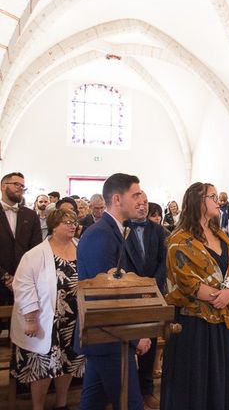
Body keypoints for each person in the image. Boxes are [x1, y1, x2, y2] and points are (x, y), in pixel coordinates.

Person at [161, 182, 229, 409]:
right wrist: (221, 295)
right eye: (212, 196)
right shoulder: (179, 240)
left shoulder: (220, 234)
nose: (218, 201)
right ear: (198, 202)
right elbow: (186, 280)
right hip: (195, 325)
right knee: (197, 382)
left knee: (223, 377)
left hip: (223, 320)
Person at [76, 173, 151, 410]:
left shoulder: (115, 230)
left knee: (93, 402)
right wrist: (135, 334)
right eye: (136, 194)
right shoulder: (101, 234)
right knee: (130, 404)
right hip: (109, 335)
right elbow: (105, 294)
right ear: (117, 199)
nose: (141, 200)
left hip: (107, 338)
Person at [10, 209, 85, 410]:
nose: (72, 225)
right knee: (43, 367)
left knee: (67, 362)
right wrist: (31, 319)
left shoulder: (81, 248)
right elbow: (24, 287)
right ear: (53, 226)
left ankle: (61, 403)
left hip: (74, 320)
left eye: (74, 222)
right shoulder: (35, 254)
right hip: (45, 320)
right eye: (66, 222)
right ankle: (38, 406)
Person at [123, 192, 166, 409]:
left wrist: (152, 285)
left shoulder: (157, 230)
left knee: (151, 341)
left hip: (152, 294)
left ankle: (146, 390)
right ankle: (128, 392)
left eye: (145, 203)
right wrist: (134, 286)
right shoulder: (121, 228)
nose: (142, 207)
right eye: (138, 203)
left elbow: (163, 260)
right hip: (127, 294)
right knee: (129, 343)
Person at [0, 172, 43, 308]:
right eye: (16, 184)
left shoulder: (30, 215)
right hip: (2, 276)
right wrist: (5, 277)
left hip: (24, 280)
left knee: (22, 325)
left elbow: (36, 248)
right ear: (3, 186)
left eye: (23, 186)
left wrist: (21, 277)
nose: (20, 188)